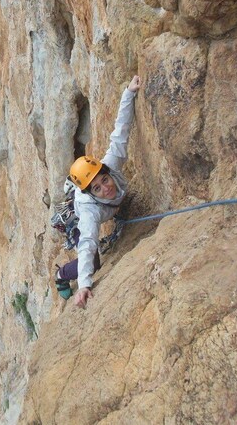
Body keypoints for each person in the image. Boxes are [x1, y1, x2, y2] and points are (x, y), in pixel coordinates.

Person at [55, 75, 141, 309]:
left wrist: (129, 92)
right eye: (98, 188)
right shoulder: (89, 211)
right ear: (91, 193)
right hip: (76, 215)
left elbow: (120, 132)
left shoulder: (111, 165)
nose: (107, 187)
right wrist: (84, 284)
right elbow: (88, 242)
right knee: (93, 264)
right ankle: (62, 274)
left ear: (105, 171)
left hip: (90, 202)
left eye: (104, 179)